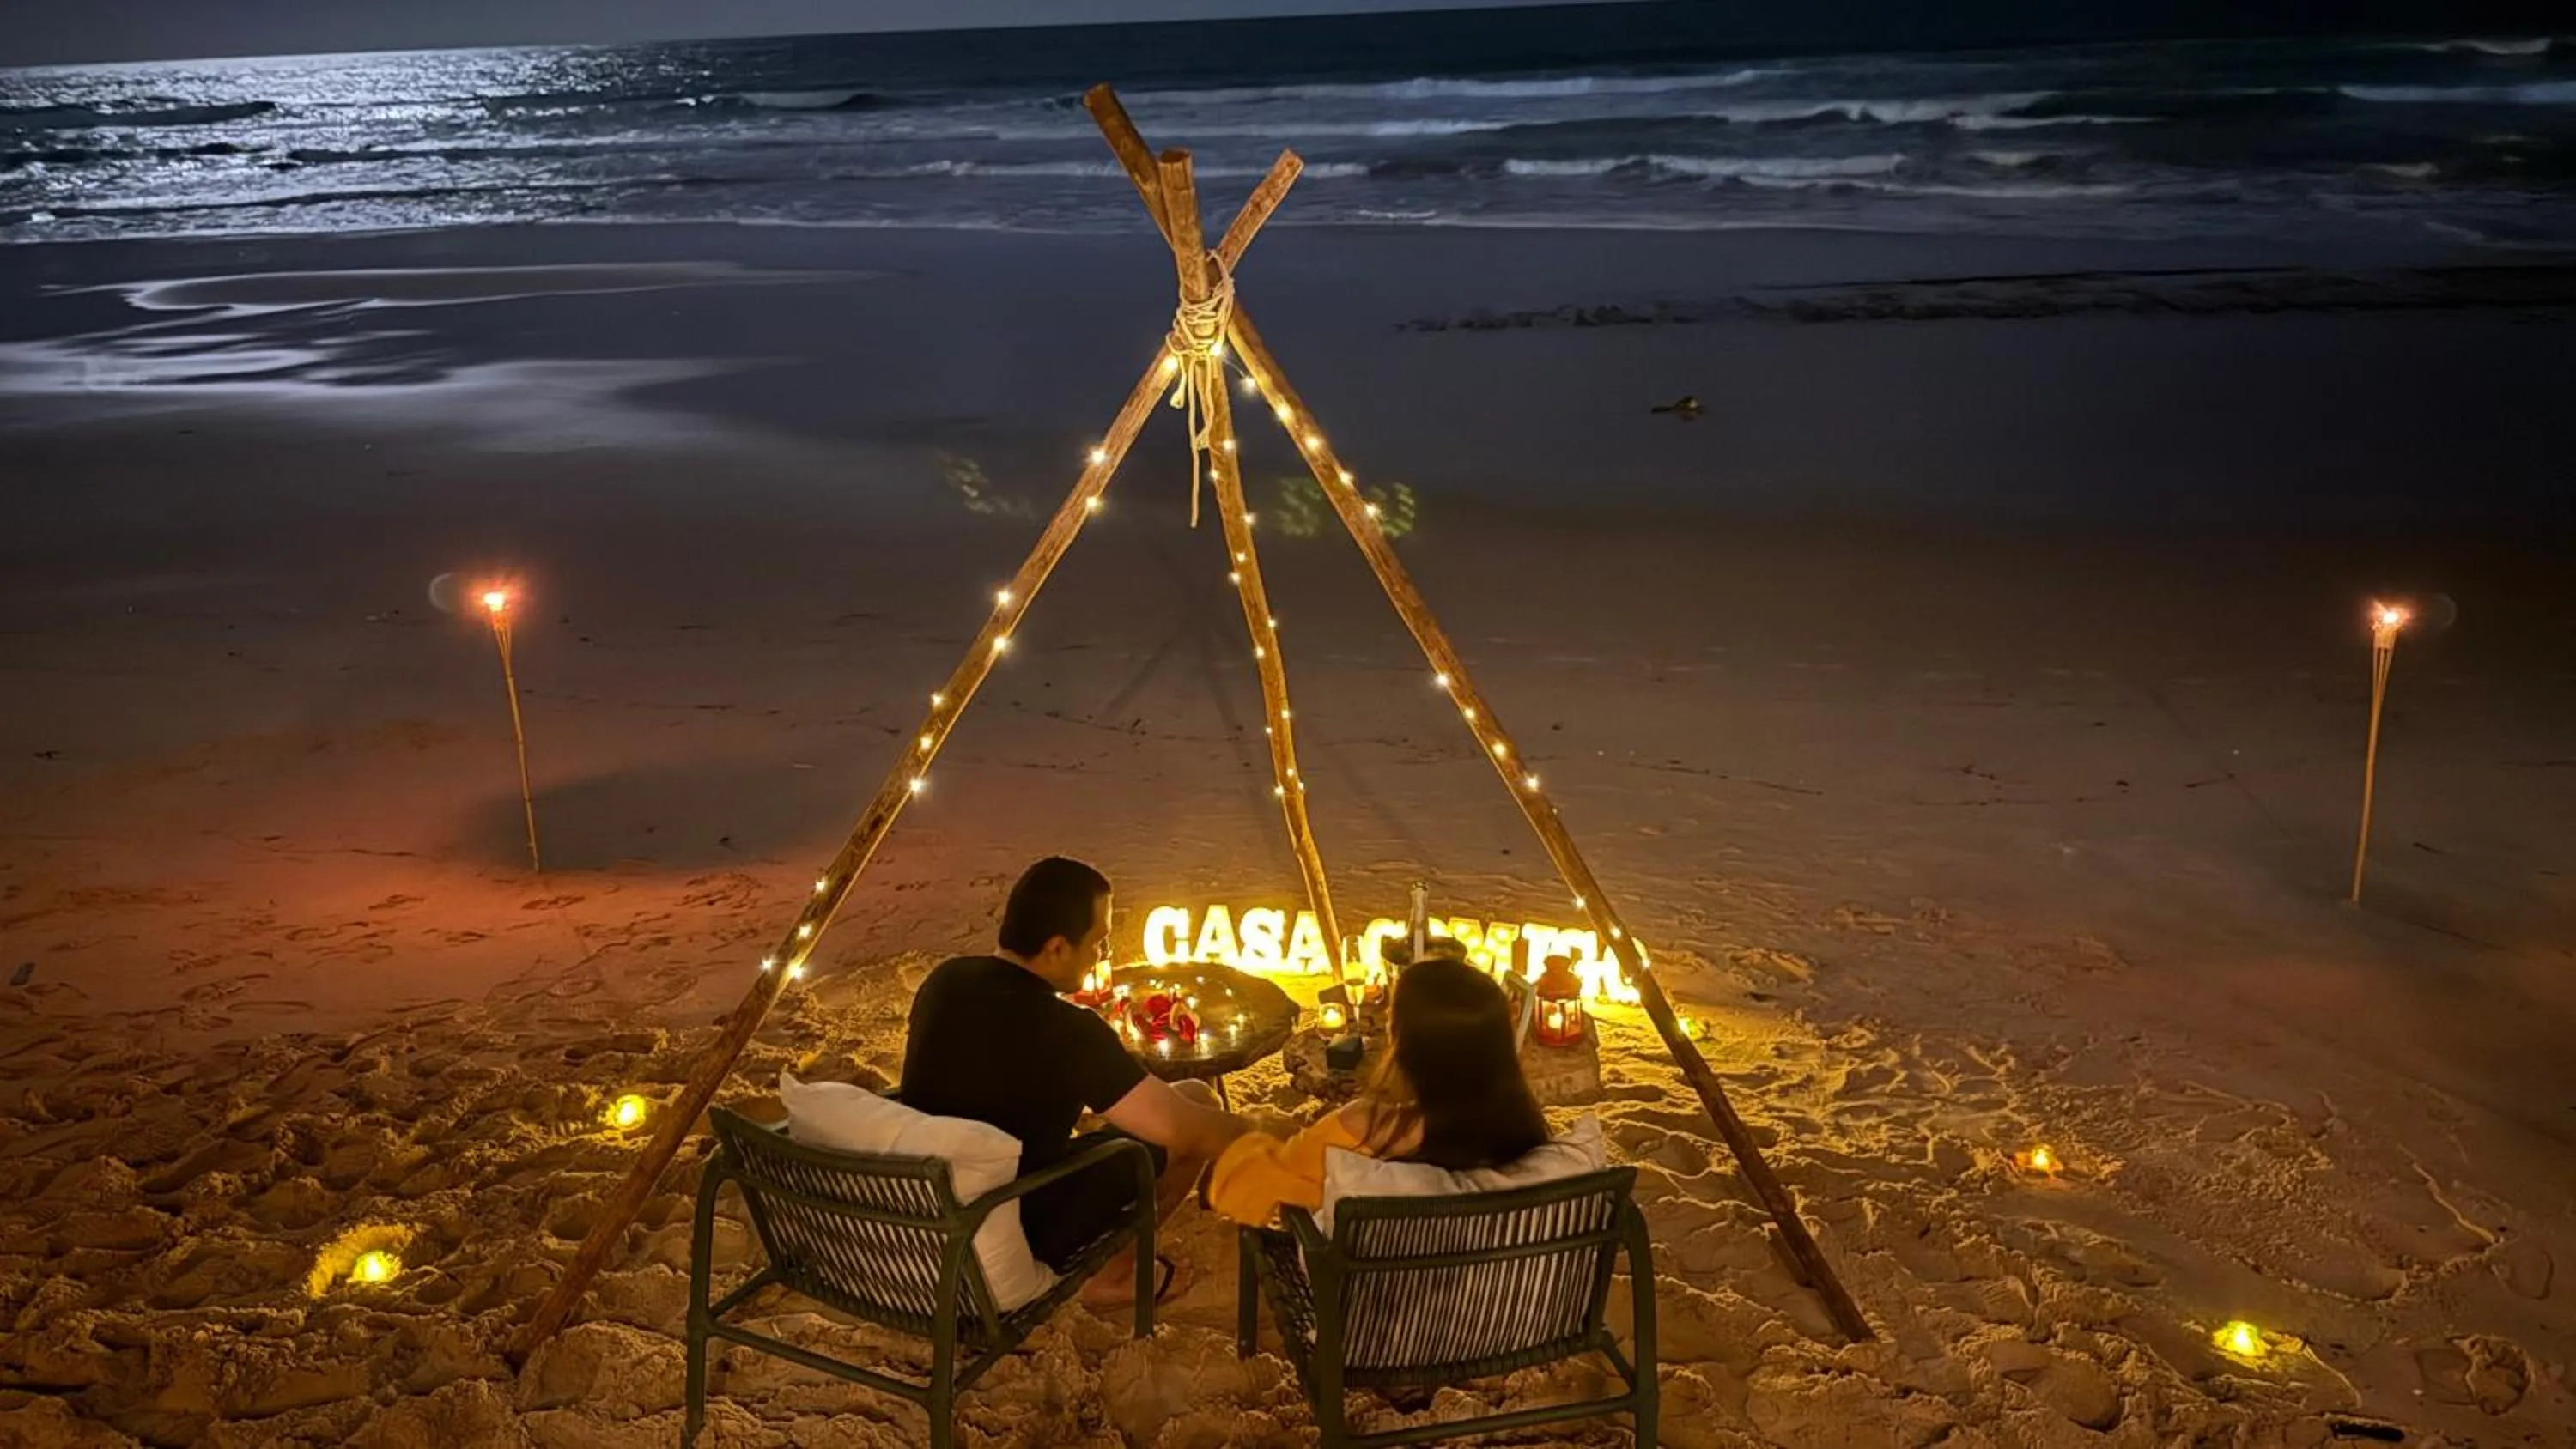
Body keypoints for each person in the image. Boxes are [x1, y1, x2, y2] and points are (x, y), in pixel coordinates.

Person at [900, 856, 1248, 1303]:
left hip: (934, 1209)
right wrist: (1264, 1135)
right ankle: (1113, 1273)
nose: (1102, 955)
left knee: (1197, 1094)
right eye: (1098, 942)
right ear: (1058, 947)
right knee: (1190, 1124)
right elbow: (1181, 1130)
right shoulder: (1065, 1028)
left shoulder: (945, 981)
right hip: (1015, 1220)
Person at [1206, 954, 1550, 1228]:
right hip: (1505, 1306)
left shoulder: (1367, 1127)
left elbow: (1250, 1183)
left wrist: (1254, 1132)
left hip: (1384, 1304)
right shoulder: (1531, 1133)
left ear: (1407, 1046)